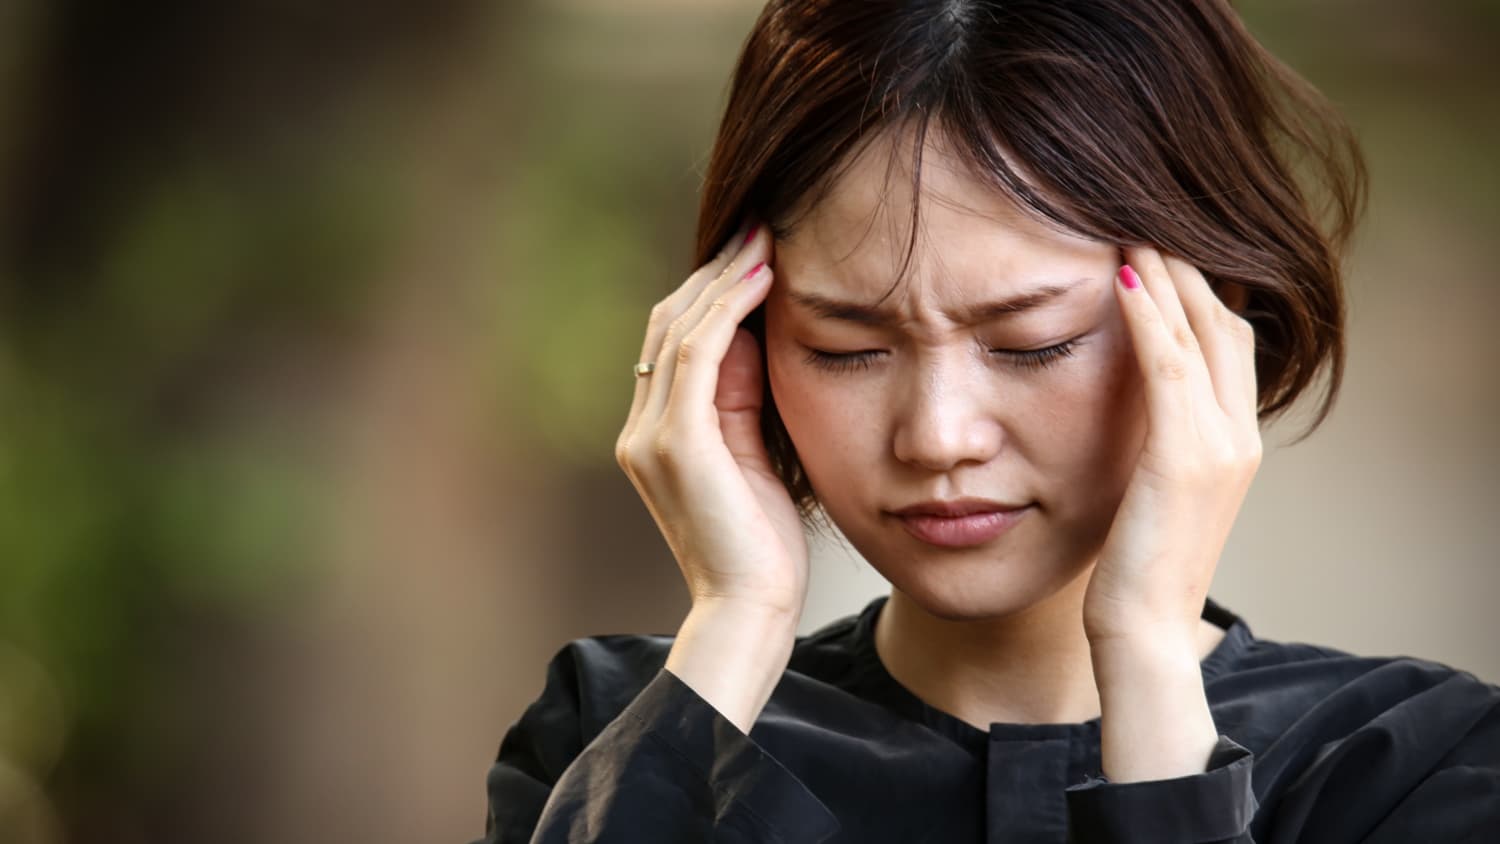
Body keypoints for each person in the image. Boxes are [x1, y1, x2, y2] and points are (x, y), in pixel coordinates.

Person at [471, 1, 1500, 841]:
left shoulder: (1414, 763)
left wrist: (1145, 669)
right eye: (846, 346)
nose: (938, 434)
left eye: (1033, 340)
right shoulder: (622, 735)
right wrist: (737, 617)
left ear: (1210, 319)